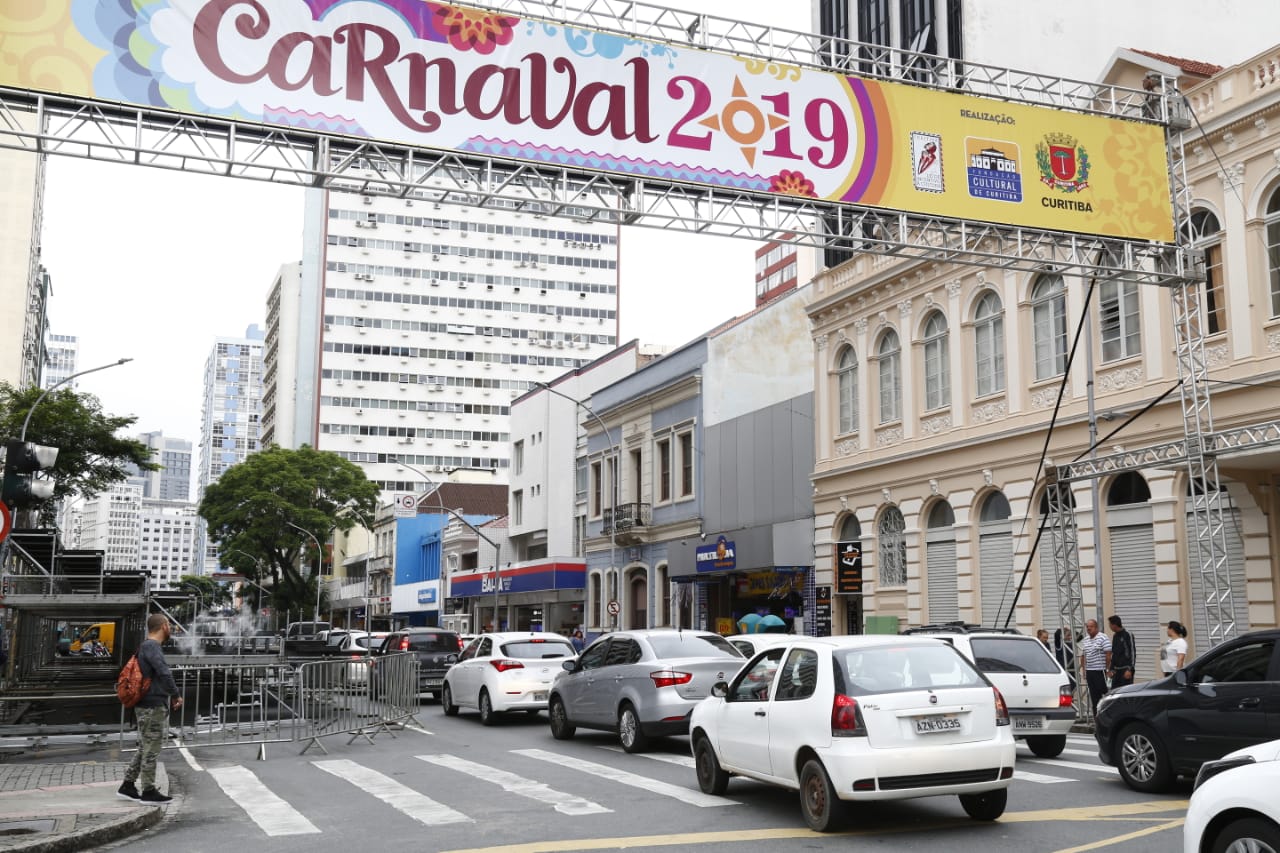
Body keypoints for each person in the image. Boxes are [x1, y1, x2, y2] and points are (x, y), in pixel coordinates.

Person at [118, 615, 182, 804]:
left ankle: (127, 785)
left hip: (146, 704)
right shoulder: (152, 647)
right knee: (151, 749)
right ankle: (148, 791)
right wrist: (176, 694)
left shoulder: (146, 646)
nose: (170, 628)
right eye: (169, 625)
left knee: (146, 747)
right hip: (151, 706)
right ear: (163, 626)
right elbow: (163, 672)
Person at [1079, 618, 1112, 715]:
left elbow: (1108, 654)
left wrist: (1107, 669)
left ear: (1096, 627)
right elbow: (1083, 656)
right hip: (1090, 671)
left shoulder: (1103, 637)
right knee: (1094, 696)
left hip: (1100, 671)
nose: (1089, 629)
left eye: (1091, 627)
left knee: (1105, 694)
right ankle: (1096, 717)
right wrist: (1084, 670)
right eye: (1087, 627)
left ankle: (1108, 714)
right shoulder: (1085, 640)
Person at [1107, 615, 1136, 689]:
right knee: (1115, 693)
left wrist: (1129, 669)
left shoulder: (1127, 634)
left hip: (1126, 670)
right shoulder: (1115, 636)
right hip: (1116, 671)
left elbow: (1132, 653)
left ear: (1114, 625)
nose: (1109, 626)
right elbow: (1114, 654)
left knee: (1126, 693)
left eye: (1110, 624)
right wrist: (1111, 669)